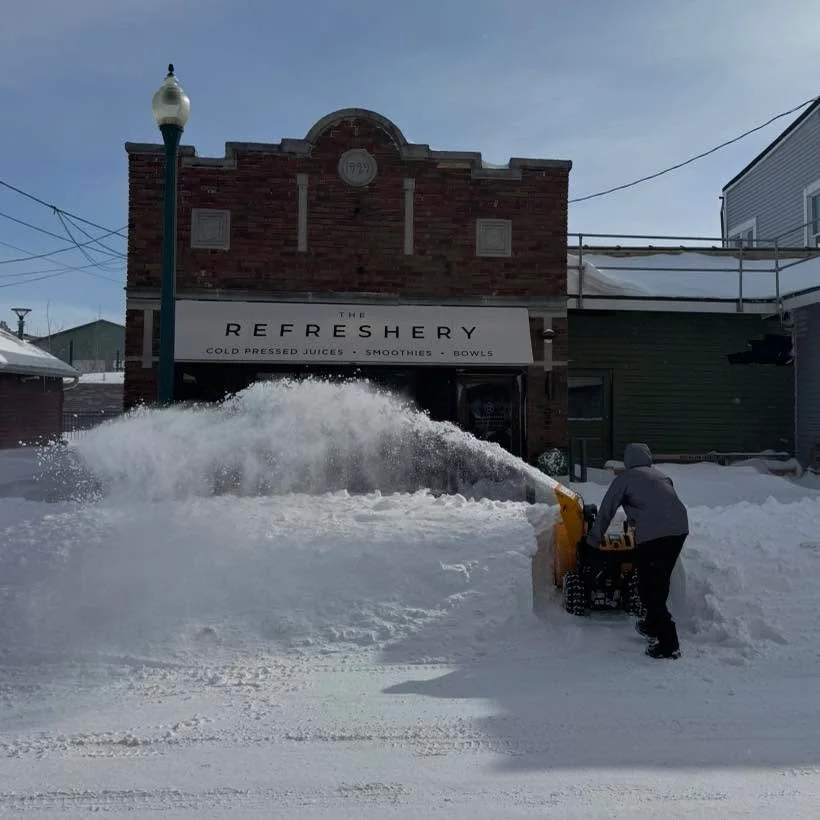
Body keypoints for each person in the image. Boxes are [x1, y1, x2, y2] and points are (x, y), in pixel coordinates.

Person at [585, 443, 688, 659]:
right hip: (679, 530)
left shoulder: (625, 479)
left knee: (650, 589)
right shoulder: (661, 476)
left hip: (654, 536)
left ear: (628, 460)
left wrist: (592, 544)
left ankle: (669, 645)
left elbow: (606, 512)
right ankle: (652, 625)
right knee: (659, 581)